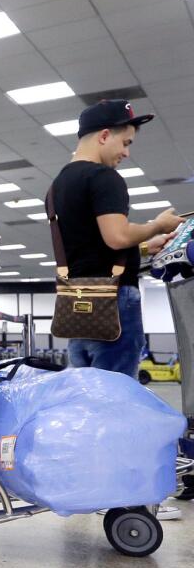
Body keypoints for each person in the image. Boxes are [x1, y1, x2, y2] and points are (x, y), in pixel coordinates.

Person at [47, 99, 184, 521]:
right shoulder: (105, 178)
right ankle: (129, 499)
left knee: (87, 401)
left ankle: (89, 486)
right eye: (124, 143)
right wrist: (158, 226)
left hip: (77, 304)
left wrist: (143, 247)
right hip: (115, 306)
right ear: (104, 135)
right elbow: (114, 235)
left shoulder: (58, 185)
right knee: (119, 402)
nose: (126, 152)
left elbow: (95, 247)